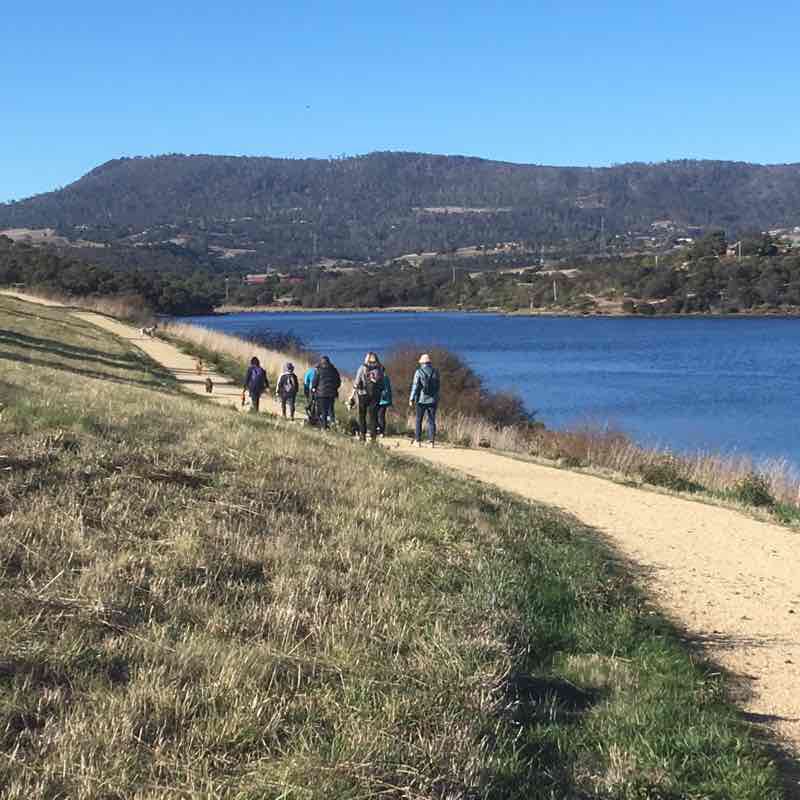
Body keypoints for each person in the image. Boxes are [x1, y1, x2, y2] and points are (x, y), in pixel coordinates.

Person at [352, 352, 385, 443]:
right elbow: (382, 384)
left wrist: (352, 395)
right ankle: (373, 437)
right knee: (373, 416)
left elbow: (356, 382)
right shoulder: (380, 369)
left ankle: (362, 435)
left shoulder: (362, 368)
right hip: (375, 395)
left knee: (362, 415)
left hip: (363, 394)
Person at [409, 353, 440, 447]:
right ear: (429, 362)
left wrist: (411, 398)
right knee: (431, 421)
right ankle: (431, 442)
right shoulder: (435, 372)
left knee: (418, 420)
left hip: (421, 400)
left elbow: (415, 386)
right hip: (433, 400)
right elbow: (438, 386)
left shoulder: (419, 372)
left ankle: (418, 441)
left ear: (422, 363)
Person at [311, 356, 341, 430]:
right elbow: (338, 382)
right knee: (331, 409)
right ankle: (332, 423)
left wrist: (313, 388)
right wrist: (335, 388)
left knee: (323, 410)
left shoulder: (318, 370)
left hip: (321, 394)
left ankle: (324, 426)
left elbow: (314, 382)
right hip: (331, 393)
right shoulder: (334, 370)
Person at [377, 371, 393, 437]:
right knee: (382, 416)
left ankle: (378, 429)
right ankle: (382, 432)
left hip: (378, 400)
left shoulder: (378, 378)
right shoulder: (386, 378)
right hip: (385, 400)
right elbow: (389, 390)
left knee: (376, 415)